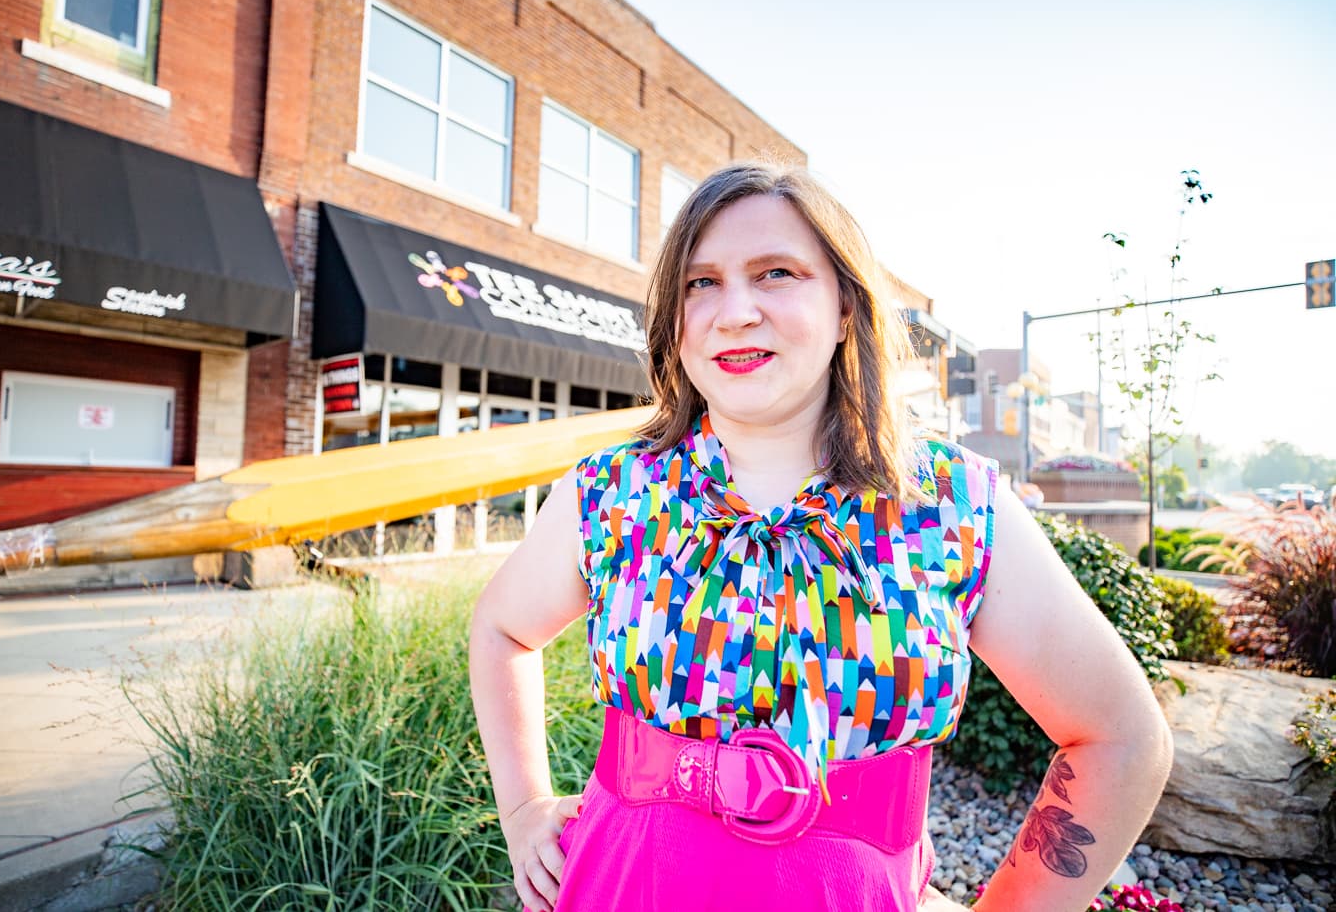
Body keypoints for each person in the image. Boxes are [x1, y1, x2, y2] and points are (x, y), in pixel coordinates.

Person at [470, 161, 1173, 912]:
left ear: (845, 305)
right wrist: (522, 809)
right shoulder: (612, 494)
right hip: (620, 887)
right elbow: (502, 628)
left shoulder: (952, 506)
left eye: (775, 272)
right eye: (699, 282)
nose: (734, 311)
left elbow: (1122, 739)